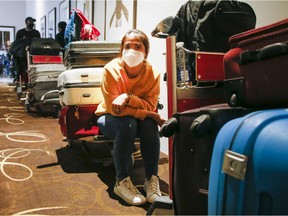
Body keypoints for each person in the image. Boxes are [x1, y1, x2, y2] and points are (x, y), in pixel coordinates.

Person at [95, 29, 166, 206]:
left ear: (146, 52)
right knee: (128, 124)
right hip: (108, 116)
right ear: (121, 50)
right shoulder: (110, 70)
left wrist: (128, 97)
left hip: (133, 117)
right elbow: (115, 109)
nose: (132, 50)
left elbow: (150, 106)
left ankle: (151, 177)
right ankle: (121, 181)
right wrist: (147, 112)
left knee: (149, 124)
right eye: (127, 46)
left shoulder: (153, 73)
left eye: (137, 46)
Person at [14, 17, 40, 87]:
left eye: (33, 22)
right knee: (24, 68)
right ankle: (25, 84)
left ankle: (35, 84)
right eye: (30, 22)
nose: (32, 23)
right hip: (22, 53)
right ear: (26, 22)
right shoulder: (20, 32)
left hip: (33, 52)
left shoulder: (36, 32)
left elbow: (38, 42)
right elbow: (17, 43)